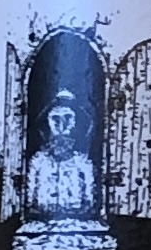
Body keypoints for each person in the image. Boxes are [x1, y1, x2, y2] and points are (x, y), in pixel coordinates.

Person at [25, 91, 98, 219]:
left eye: (68, 118)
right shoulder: (38, 161)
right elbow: (29, 201)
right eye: (56, 119)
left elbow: (90, 202)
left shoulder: (83, 163)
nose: (61, 126)